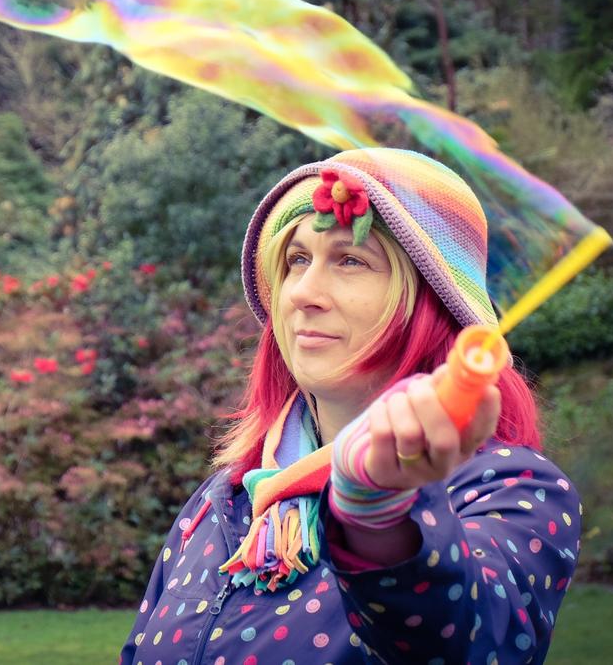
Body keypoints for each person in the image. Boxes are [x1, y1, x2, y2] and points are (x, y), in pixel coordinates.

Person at [119, 148, 579, 665]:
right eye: (297, 260)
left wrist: (379, 512)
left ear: (430, 303)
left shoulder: (513, 488)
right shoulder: (225, 497)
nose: (302, 293)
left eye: (350, 260)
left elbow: (463, 643)